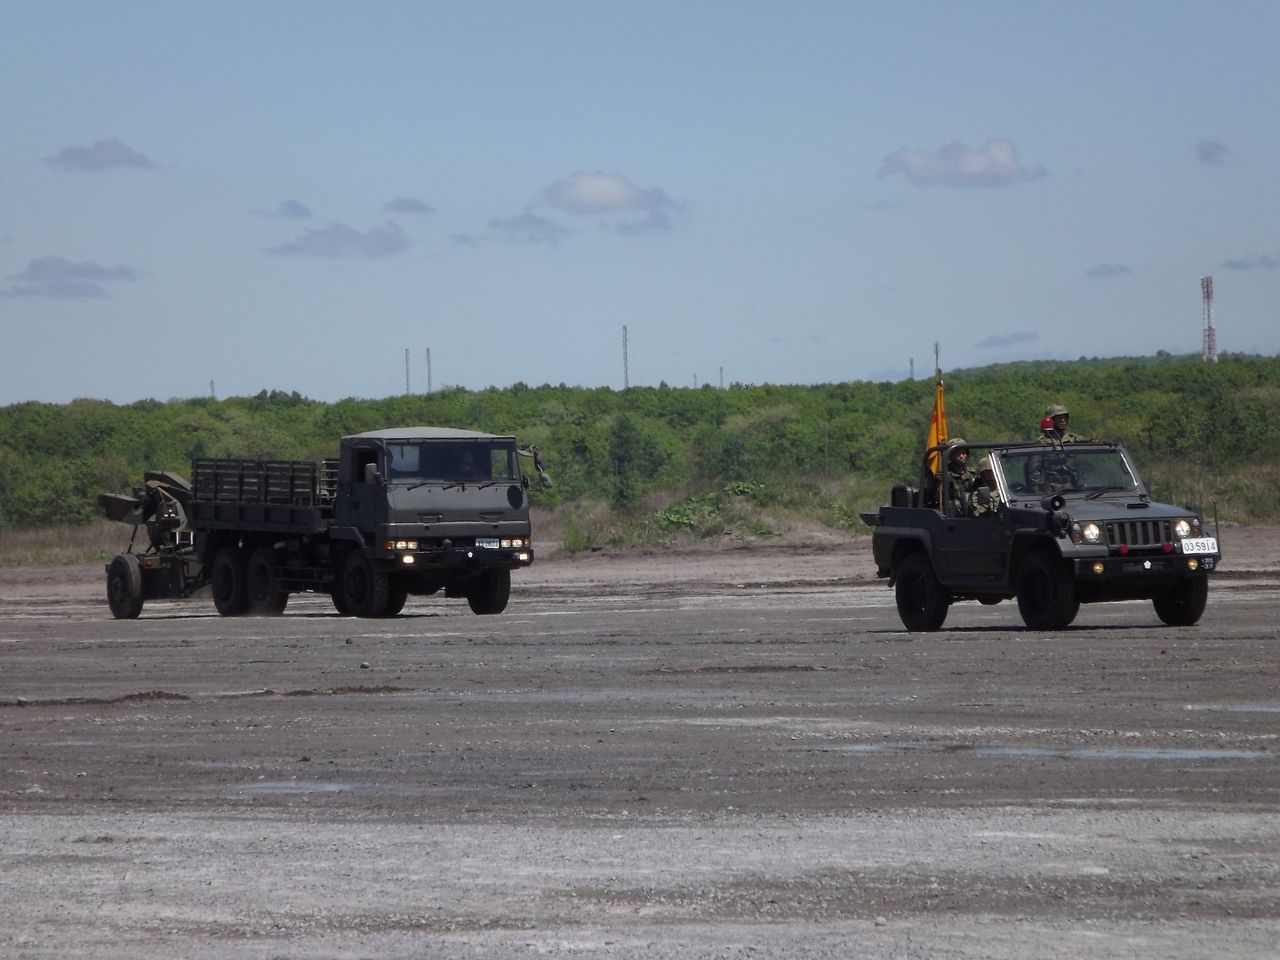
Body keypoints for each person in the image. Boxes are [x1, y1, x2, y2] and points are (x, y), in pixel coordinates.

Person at [944, 439, 976, 516]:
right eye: (958, 453)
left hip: (970, 512)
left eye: (964, 453)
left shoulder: (971, 473)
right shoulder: (944, 474)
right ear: (950, 455)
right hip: (952, 514)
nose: (961, 456)